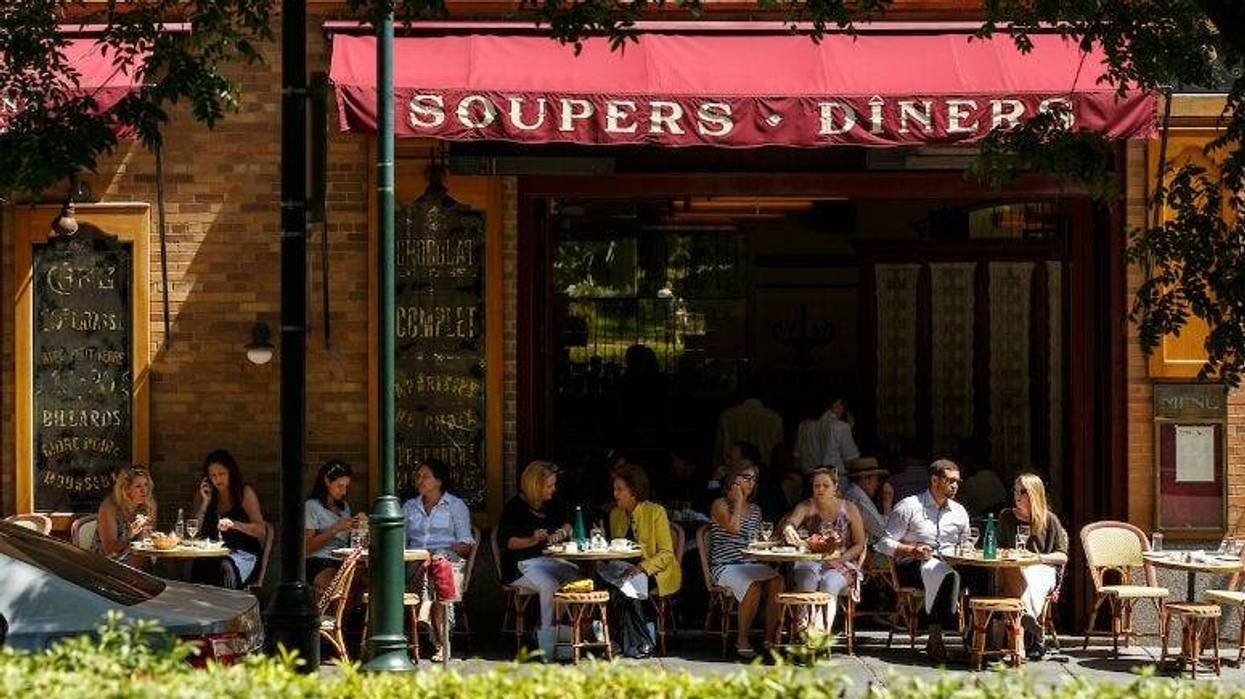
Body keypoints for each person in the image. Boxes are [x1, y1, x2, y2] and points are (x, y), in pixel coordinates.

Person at [876, 459, 970, 663]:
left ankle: (979, 636)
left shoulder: (959, 512)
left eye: (957, 481)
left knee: (983, 574)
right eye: (950, 480)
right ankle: (935, 638)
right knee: (944, 574)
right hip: (912, 563)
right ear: (934, 480)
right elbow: (883, 543)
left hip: (950, 562)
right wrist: (911, 549)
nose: (955, 485)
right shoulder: (909, 506)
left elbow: (967, 544)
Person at [604, 462, 682, 658]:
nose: (615, 494)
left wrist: (642, 567)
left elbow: (666, 554)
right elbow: (616, 550)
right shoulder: (615, 514)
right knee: (610, 585)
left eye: (620, 489)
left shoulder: (656, 512)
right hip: (624, 570)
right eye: (614, 489)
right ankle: (635, 641)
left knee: (626, 586)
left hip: (656, 571)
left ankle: (631, 642)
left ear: (634, 491)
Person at [497, 460, 577, 650]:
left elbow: (568, 523)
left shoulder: (551, 504)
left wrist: (562, 533)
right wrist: (532, 540)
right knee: (549, 584)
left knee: (574, 574)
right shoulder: (515, 507)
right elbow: (506, 542)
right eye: (549, 485)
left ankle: (551, 629)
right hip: (521, 566)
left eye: (554, 484)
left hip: (547, 561)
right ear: (535, 485)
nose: (554, 489)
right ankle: (548, 638)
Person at [708, 462, 784, 658]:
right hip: (725, 566)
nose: (751, 482)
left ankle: (769, 638)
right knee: (754, 585)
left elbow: (754, 541)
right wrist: (739, 501)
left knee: (778, 581)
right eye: (746, 477)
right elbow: (733, 528)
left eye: (754, 479)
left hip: (750, 563)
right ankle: (742, 639)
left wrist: (770, 542)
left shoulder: (756, 510)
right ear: (733, 479)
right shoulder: (720, 504)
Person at [402, 458, 475, 661]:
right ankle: (442, 643)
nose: (420, 480)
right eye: (418, 476)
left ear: (439, 481)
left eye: (425, 476)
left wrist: (437, 552)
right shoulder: (409, 507)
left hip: (448, 561)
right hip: (415, 563)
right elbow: (399, 543)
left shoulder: (455, 506)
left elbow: (466, 545)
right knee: (429, 568)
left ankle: (425, 614)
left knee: (438, 567)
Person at [781, 468, 866, 632]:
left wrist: (841, 558)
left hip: (842, 561)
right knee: (807, 580)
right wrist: (789, 528)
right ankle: (804, 626)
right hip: (810, 559)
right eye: (816, 486)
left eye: (825, 485)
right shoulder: (806, 506)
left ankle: (821, 630)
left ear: (835, 487)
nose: (820, 489)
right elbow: (791, 522)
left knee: (829, 583)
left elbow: (859, 544)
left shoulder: (849, 508)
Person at [997, 473, 1069, 659]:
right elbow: (998, 549)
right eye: (1015, 491)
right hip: (1014, 569)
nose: (1017, 495)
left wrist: (1038, 557)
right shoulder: (1006, 516)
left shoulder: (1049, 520)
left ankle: (1024, 620)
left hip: (1042, 568)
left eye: (1023, 491)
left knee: (1034, 573)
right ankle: (1026, 629)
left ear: (1035, 493)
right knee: (1015, 571)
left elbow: (1062, 556)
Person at [193, 449, 267, 588]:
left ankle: (228, 607)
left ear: (231, 473)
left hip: (242, 553)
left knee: (224, 567)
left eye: (222, 474)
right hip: (213, 552)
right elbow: (193, 530)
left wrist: (235, 525)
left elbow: (261, 530)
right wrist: (204, 503)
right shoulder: (205, 494)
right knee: (200, 563)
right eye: (213, 475)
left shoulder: (243, 493)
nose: (218, 479)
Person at [304, 460, 363, 595]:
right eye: (339, 486)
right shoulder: (312, 506)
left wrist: (359, 526)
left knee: (363, 582)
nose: (343, 491)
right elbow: (307, 547)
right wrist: (335, 529)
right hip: (319, 561)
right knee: (340, 586)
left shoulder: (344, 507)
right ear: (327, 481)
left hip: (343, 561)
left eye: (346, 487)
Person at [94, 465, 157, 569]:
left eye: (146, 485)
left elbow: (147, 541)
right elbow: (109, 548)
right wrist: (130, 534)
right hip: (108, 562)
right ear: (126, 489)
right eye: (138, 486)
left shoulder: (149, 505)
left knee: (153, 561)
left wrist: (149, 535)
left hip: (137, 557)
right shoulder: (109, 507)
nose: (144, 490)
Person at [714, 388, 784, 469]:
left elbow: (719, 449)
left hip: (732, 467)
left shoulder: (727, 416)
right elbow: (778, 450)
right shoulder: (774, 419)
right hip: (763, 469)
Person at [796, 395, 860, 477]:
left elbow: (797, 459)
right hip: (834, 480)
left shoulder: (803, 426)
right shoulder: (841, 426)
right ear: (836, 405)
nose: (843, 410)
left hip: (809, 479)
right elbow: (851, 460)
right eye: (843, 405)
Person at [842, 457, 894, 544]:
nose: (877, 485)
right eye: (876, 480)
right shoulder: (858, 499)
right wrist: (887, 503)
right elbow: (883, 531)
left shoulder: (855, 494)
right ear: (866, 479)